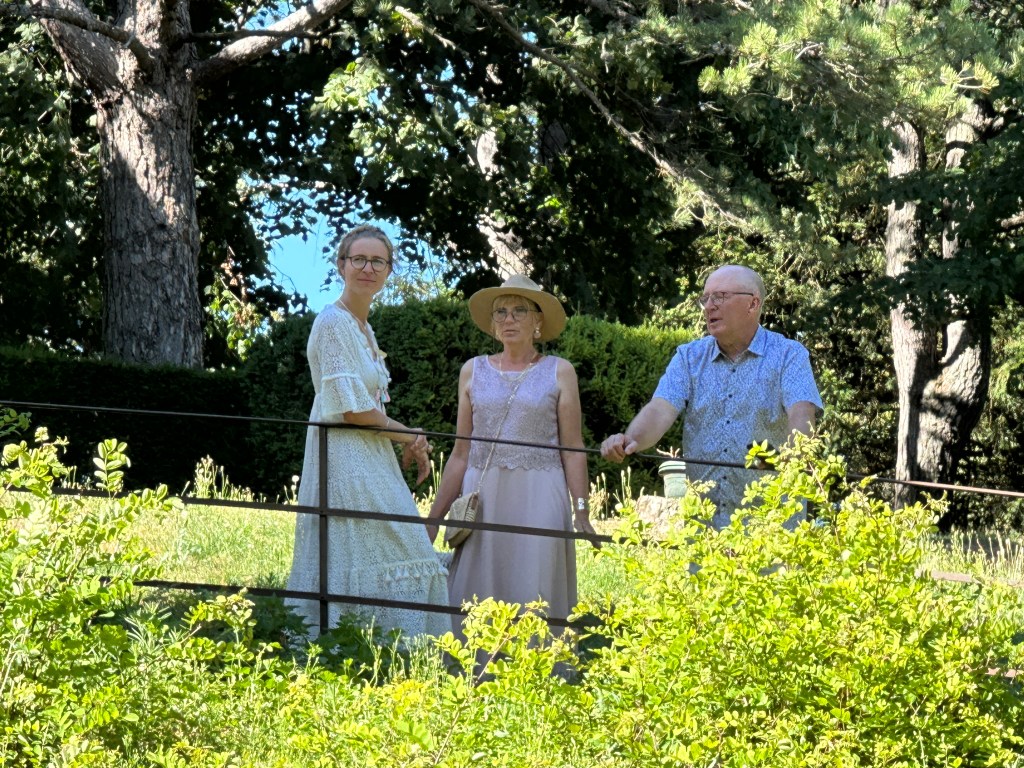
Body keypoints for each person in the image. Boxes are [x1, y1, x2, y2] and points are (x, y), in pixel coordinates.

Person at [286, 225, 449, 640]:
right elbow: (353, 409)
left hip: (369, 455)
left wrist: (407, 436)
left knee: (392, 547)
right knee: (390, 547)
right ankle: (350, 646)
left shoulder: (364, 329)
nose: (368, 268)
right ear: (341, 265)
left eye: (378, 261)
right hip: (344, 457)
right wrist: (408, 435)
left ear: (389, 271)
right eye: (359, 259)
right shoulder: (332, 323)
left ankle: (386, 651)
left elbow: (369, 406)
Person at [427, 275, 596, 636]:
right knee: (478, 588)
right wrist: (434, 518)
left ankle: (537, 667)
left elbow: (573, 448)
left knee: (535, 584)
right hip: (484, 497)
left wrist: (582, 511)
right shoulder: (472, 370)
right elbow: (460, 453)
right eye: (501, 312)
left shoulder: (560, 371)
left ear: (538, 321)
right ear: (492, 323)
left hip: (541, 495)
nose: (509, 319)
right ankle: (473, 665)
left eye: (520, 311)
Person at [601, 264, 823, 530]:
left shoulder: (789, 354)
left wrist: (795, 459)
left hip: (771, 524)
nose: (709, 306)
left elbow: (801, 413)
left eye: (720, 297)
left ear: (753, 304)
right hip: (704, 527)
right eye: (705, 298)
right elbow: (660, 409)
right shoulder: (689, 356)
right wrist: (629, 440)